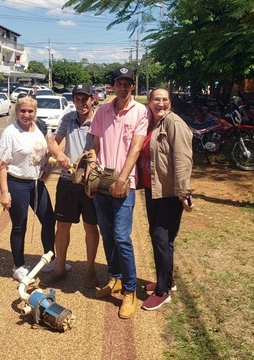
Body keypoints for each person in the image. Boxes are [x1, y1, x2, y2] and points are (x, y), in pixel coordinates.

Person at [89, 67, 149, 319]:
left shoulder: (140, 112)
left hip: (125, 183)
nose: (122, 88)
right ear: (112, 85)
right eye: (118, 83)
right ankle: (114, 277)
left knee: (122, 237)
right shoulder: (102, 111)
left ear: (132, 87)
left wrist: (122, 180)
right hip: (102, 182)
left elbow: (135, 149)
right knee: (106, 234)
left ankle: (130, 291)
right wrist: (91, 166)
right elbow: (94, 144)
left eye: (127, 84)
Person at [138, 88, 194, 311]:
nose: (160, 103)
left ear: (170, 102)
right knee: (162, 238)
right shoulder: (151, 122)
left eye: (165, 99)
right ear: (149, 102)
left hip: (170, 192)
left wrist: (183, 192)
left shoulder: (174, 123)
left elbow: (183, 158)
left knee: (161, 237)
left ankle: (162, 292)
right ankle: (167, 280)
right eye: (156, 99)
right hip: (153, 189)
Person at [40, 83, 100, 288]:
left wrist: (92, 161)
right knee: (62, 227)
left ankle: (90, 270)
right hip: (67, 181)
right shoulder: (68, 119)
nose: (82, 103)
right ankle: (59, 269)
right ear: (73, 100)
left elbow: (99, 147)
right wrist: (61, 156)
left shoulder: (99, 119)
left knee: (91, 228)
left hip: (90, 183)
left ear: (93, 99)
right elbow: (53, 143)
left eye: (85, 99)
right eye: (78, 99)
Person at [0, 95, 56, 282]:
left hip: (37, 183)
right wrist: (4, 192)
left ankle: (50, 258)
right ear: (16, 111)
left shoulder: (40, 128)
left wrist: (47, 166)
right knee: (20, 226)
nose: (26, 115)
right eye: (23, 111)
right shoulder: (10, 132)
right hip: (17, 183)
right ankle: (18, 266)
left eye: (30, 111)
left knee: (49, 220)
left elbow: (46, 151)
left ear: (35, 112)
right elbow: (1, 164)